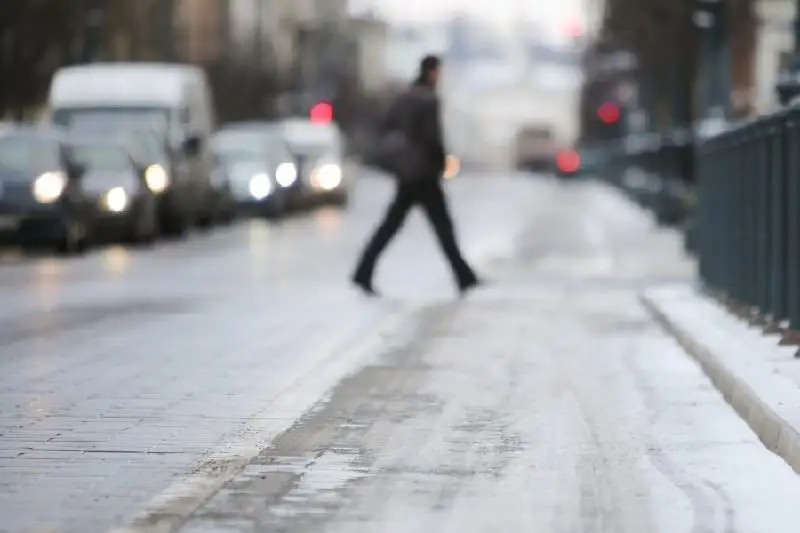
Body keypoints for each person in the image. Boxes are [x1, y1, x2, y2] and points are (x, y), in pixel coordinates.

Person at [351, 54, 481, 297]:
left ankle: (363, 271)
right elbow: (432, 136)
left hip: (407, 171)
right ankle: (464, 277)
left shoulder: (404, 97)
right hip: (424, 173)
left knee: (391, 226)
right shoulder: (428, 99)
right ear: (432, 72)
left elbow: (387, 127)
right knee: (442, 227)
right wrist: (442, 162)